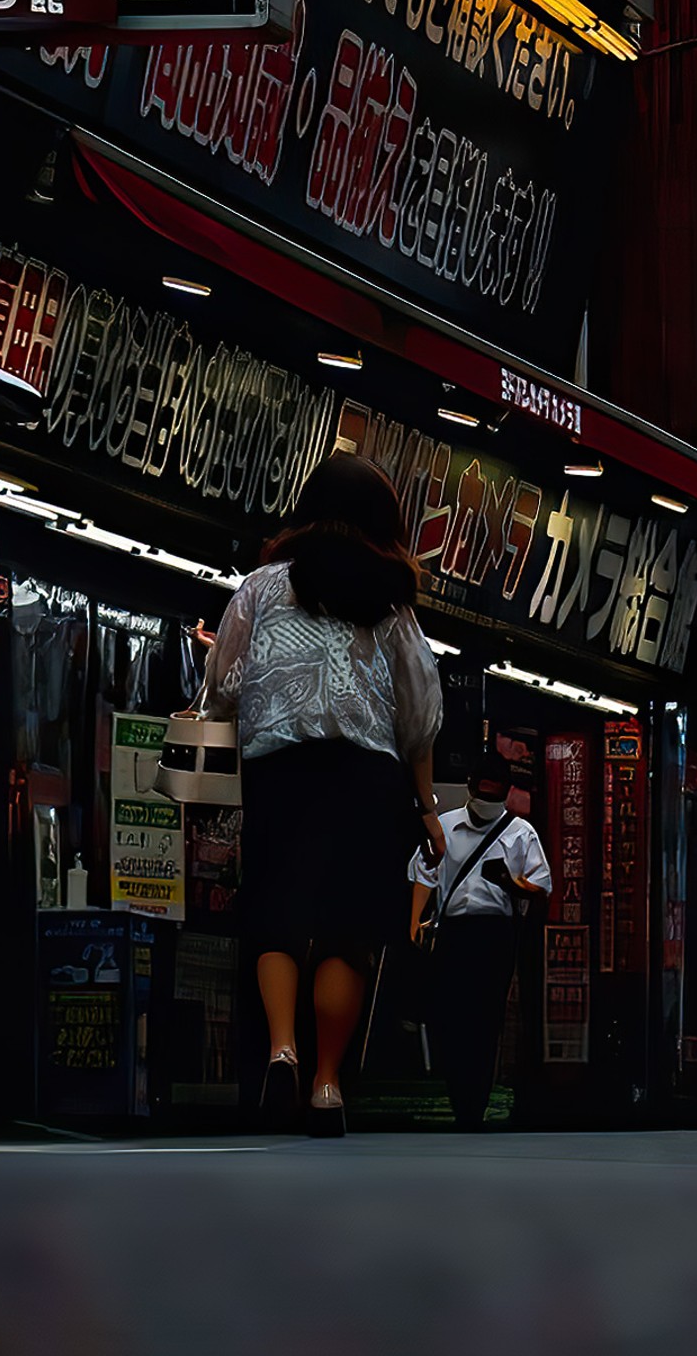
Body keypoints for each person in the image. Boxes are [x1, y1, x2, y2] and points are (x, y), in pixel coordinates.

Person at [203, 449, 444, 1135]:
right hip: (365, 778)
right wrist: (426, 807)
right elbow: (419, 712)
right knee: (347, 929)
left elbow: (224, 684)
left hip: (280, 767)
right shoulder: (389, 604)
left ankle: (281, 1047)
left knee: (276, 910)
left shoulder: (261, 586)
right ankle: (328, 1083)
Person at [410, 750, 552, 1125]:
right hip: (454, 931)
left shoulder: (521, 832)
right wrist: (415, 922)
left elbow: (541, 888)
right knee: (450, 1016)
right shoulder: (445, 825)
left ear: (505, 794)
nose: (487, 802)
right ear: (470, 788)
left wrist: (511, 884)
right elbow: (424, 872)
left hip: (494, 933)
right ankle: (459, 1095)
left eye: (495, 796)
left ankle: (473, 1104)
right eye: (483, 794)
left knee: (486, 1019)